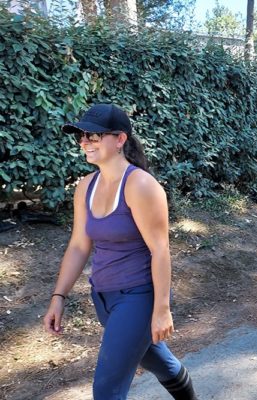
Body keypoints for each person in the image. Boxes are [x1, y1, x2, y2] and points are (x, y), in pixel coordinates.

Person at [43, 104, 197, 399]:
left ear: (120, 139)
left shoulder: (140, 185)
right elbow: (78, 245)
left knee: (106, 390)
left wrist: (162, 309)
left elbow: (160, 250)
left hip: (138, 297)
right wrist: (58, 297)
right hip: (103, 296)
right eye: (82, 135)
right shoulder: (85, 187)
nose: (84, 141)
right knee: (158, 361)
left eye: (94, 136)